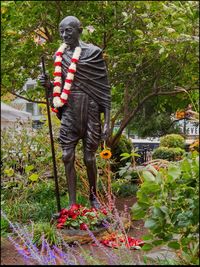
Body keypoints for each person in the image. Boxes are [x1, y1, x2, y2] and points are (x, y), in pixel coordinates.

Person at [39, 16, 111, 209]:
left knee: (89, 158)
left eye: (68, 31)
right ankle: (71, 204)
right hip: (70, 109)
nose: (64, 35)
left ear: (79, 30)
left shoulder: (94, 53)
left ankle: (93, 197)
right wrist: (48, 87)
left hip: (90, 109)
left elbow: (105, 90)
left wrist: (107, 123)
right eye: (61, 31)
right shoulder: (59, 56)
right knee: (66, 156)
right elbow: (58, 88)